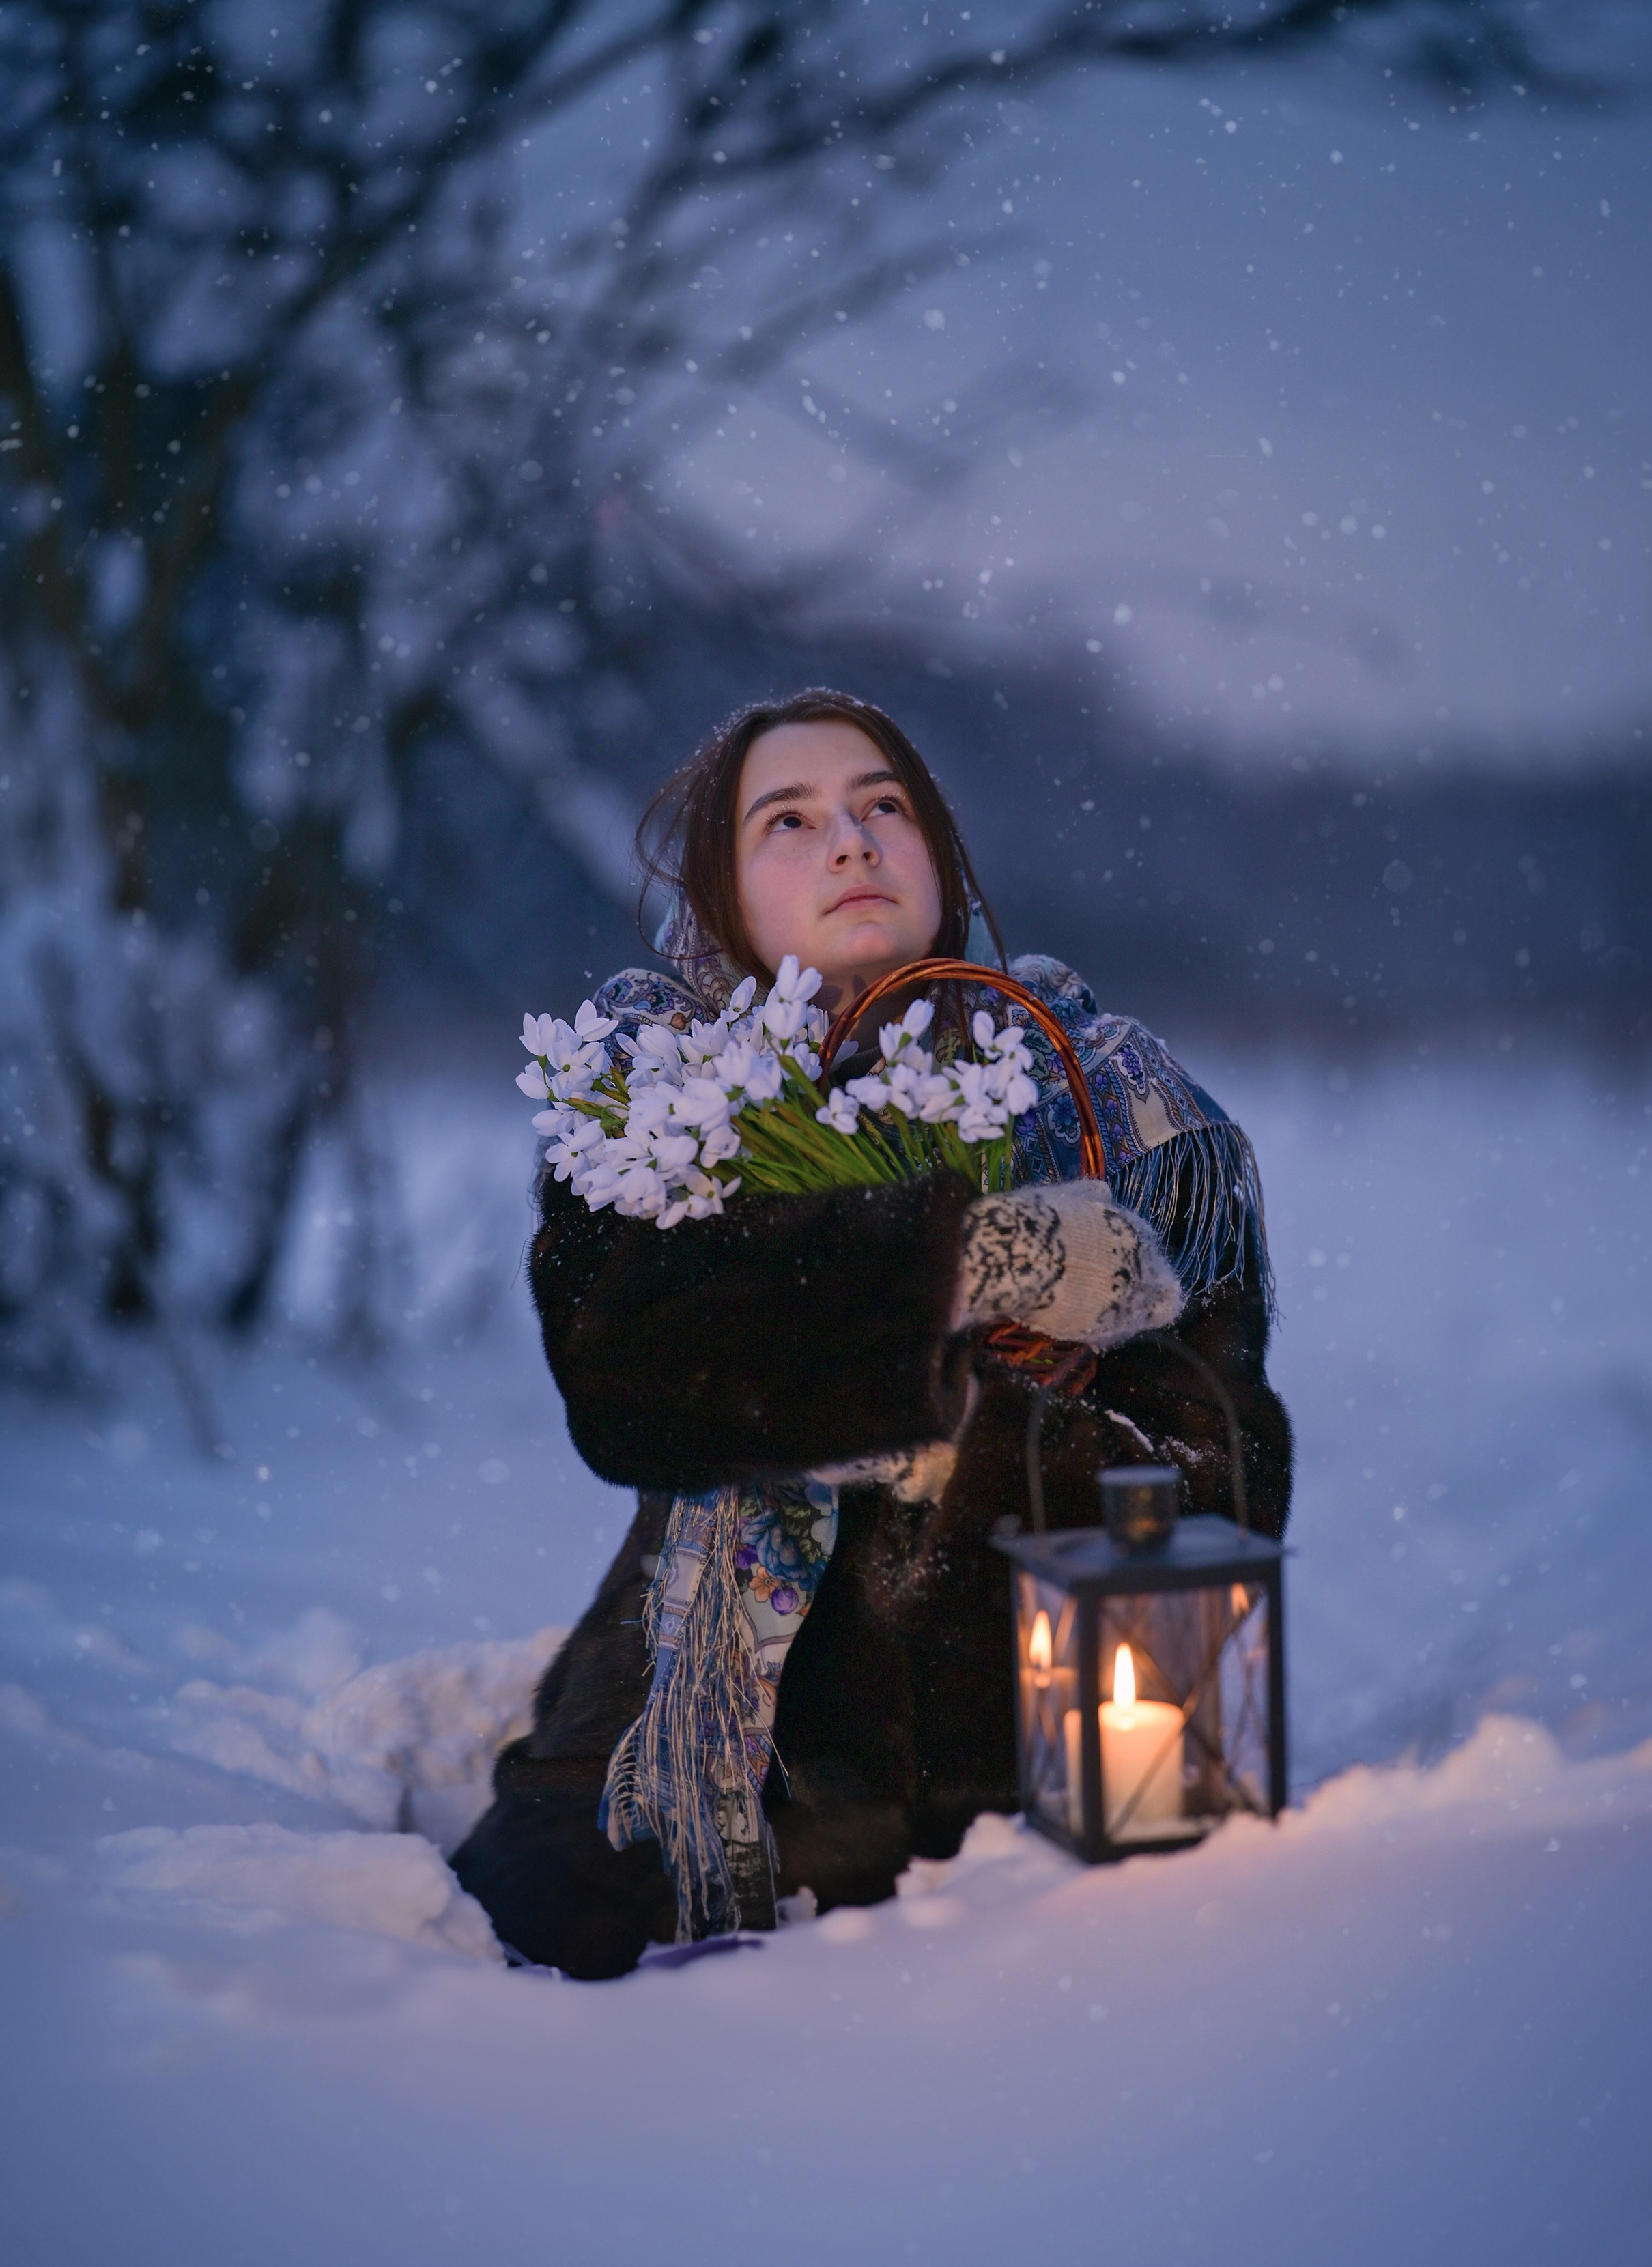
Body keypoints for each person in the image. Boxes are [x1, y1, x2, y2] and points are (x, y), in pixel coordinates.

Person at [453, 689, 1292, 1976]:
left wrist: (981, 1432)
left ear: (939, 855)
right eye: (788, 820)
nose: (850, 841)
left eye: (882, 805)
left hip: (1035, 1729)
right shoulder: (663, 1104)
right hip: (706, 1722)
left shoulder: (1123, 1105)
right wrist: (964, 1268)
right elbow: (624, 1373)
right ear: (722, 894)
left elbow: (1226, 1474)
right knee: (557, 1932)